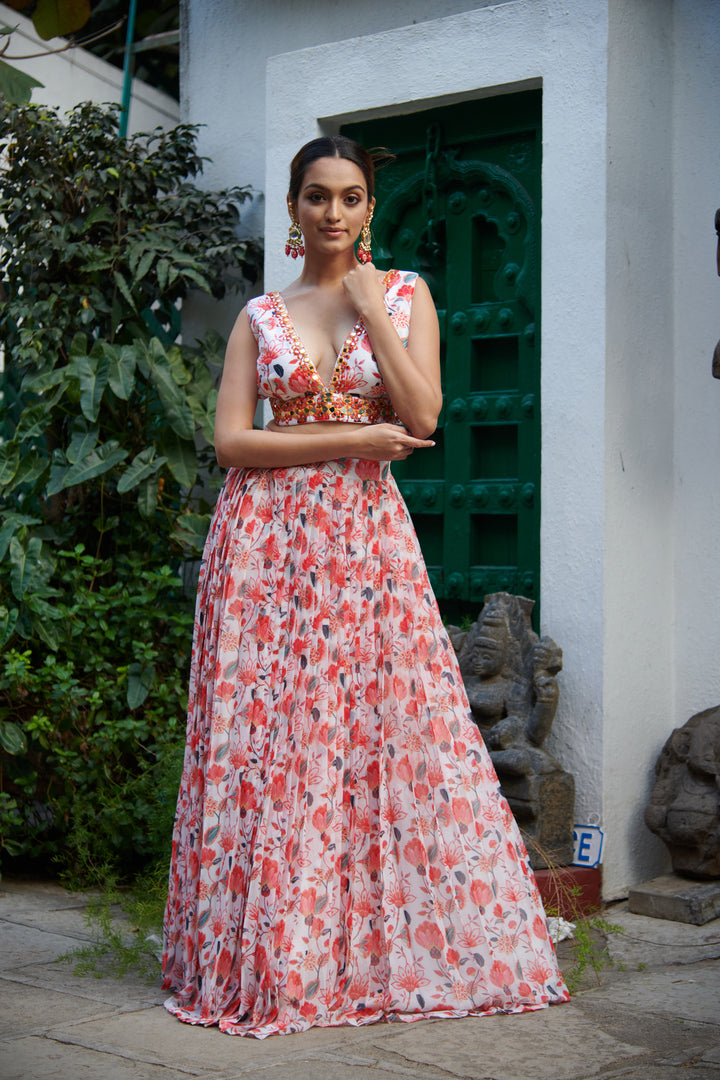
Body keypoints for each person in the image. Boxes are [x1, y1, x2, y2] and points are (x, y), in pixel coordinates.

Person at [161, 135, 570, 1038]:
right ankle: (277, 949)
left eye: (350, 197)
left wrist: (366, 309)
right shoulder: (259, 316)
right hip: (262, 544)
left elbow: (422, 414)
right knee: (270, 738)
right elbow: (233, 444)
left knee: (375, 731)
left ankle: (368, 943)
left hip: (363, 543)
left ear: (370, 209)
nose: (332, 213)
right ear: (295, 206)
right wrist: (347, 440)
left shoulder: (404, 294)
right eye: (316, 197)